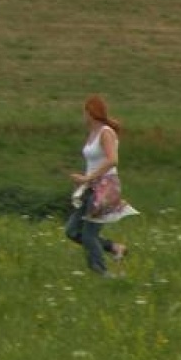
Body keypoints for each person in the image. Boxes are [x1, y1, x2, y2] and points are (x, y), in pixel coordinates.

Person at [65, 94, 137, 276]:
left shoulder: (106, 132)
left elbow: (113, 160)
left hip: (106, 188)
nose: (83, 116)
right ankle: (114, 247)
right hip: (91, 187)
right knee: (72, 231)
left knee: (89, 235)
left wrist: (87, 178)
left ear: (91, 112)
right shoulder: (92, 134)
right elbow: (95, 161)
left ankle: (102, 273)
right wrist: (84, 180)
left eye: (84, 112)